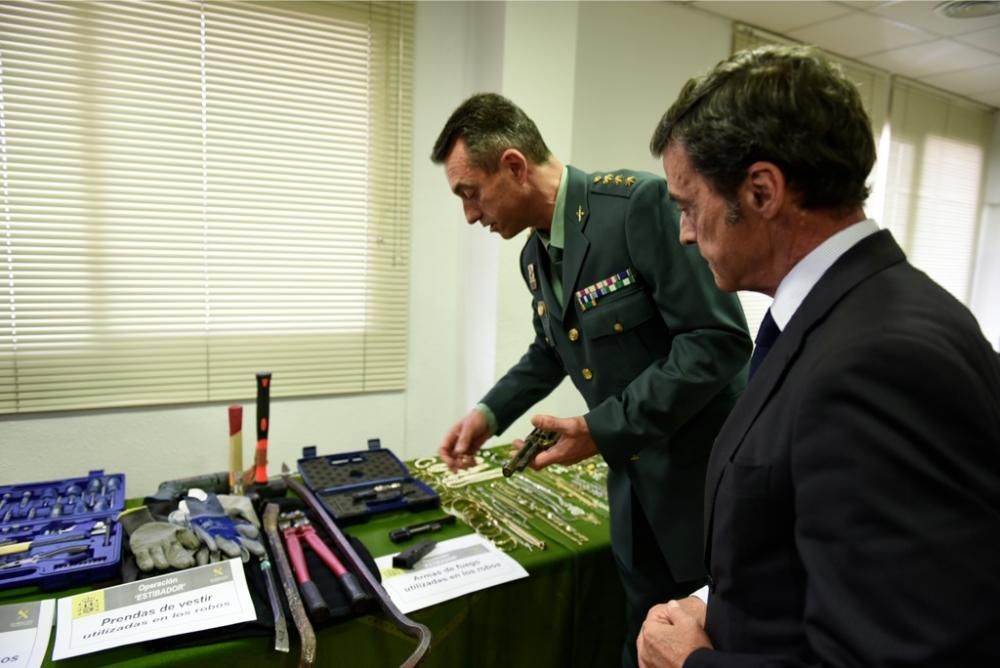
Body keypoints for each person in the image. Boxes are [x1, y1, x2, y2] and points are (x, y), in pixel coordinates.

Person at [640, 45, 1000, 667]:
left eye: (689, 204)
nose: (685, 232)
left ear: (761, 191)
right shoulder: (846, 314)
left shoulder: (879, 364)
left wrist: (693, 664)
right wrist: (722, 608)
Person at [431, 93, 752, 668]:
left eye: (469, 194)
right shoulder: (535, 254)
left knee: (705, 646)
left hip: (700, 489)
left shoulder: (636, 207)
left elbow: (717, 341)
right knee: (641, 640)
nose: (471, 215)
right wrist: (488, 413)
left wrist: (598, 427)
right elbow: (551, 350)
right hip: (634, 491)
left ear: (512, 165)